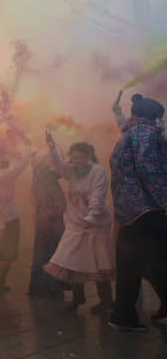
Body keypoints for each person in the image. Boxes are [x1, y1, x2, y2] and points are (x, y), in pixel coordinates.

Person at [108, 95, 167, 331]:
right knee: (160, 260)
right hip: (147, 210)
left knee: (130, 266)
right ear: (153, 117)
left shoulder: (127, 134)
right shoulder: (146, 133)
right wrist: (165, 200)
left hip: (128, 213)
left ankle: (122, 316)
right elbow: (148, 168)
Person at [42, 134, 114, 313]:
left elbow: (97, 196)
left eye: (81, 157)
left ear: (89, 156)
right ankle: (78, 297)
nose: (77, 161)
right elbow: (58, 165)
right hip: (75, 224)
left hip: (96, 225)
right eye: (73, 158)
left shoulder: (98, 171)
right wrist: (52, 147)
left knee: (99, 264)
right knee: (69, 260)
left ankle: (106, 301)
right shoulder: (72, 170)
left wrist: (91, 218)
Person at [0, 153, 32, 291]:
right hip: (10, 218)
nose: (6, 159)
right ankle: (0, 283)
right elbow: (20, 166)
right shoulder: (5, 174)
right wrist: (28, 154)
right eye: (2, 157)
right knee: (9, 253)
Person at [27, 152, 68, 299]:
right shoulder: (45, 175)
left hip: (43, 219)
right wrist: (60, 210)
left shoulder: (38, 174)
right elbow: (56, 199)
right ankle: (52, 286)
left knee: (42, 252)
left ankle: (41, 286)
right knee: (52, 252)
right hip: (51, 220)